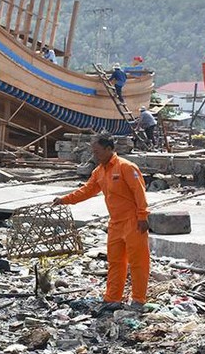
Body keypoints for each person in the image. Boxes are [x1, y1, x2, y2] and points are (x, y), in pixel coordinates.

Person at [52, 134, 150, 312]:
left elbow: (139, 192)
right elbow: (87, 191)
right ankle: (112, 298)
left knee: (138, 262)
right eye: (93, 152)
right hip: (115, 223)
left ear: (108, 149)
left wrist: (143, 216)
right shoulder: (99, 171)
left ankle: (138, 300)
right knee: (115, 262)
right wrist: (64, 200)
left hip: (133, 222)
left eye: (97, 151)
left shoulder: (126, 167)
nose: (94, 155)